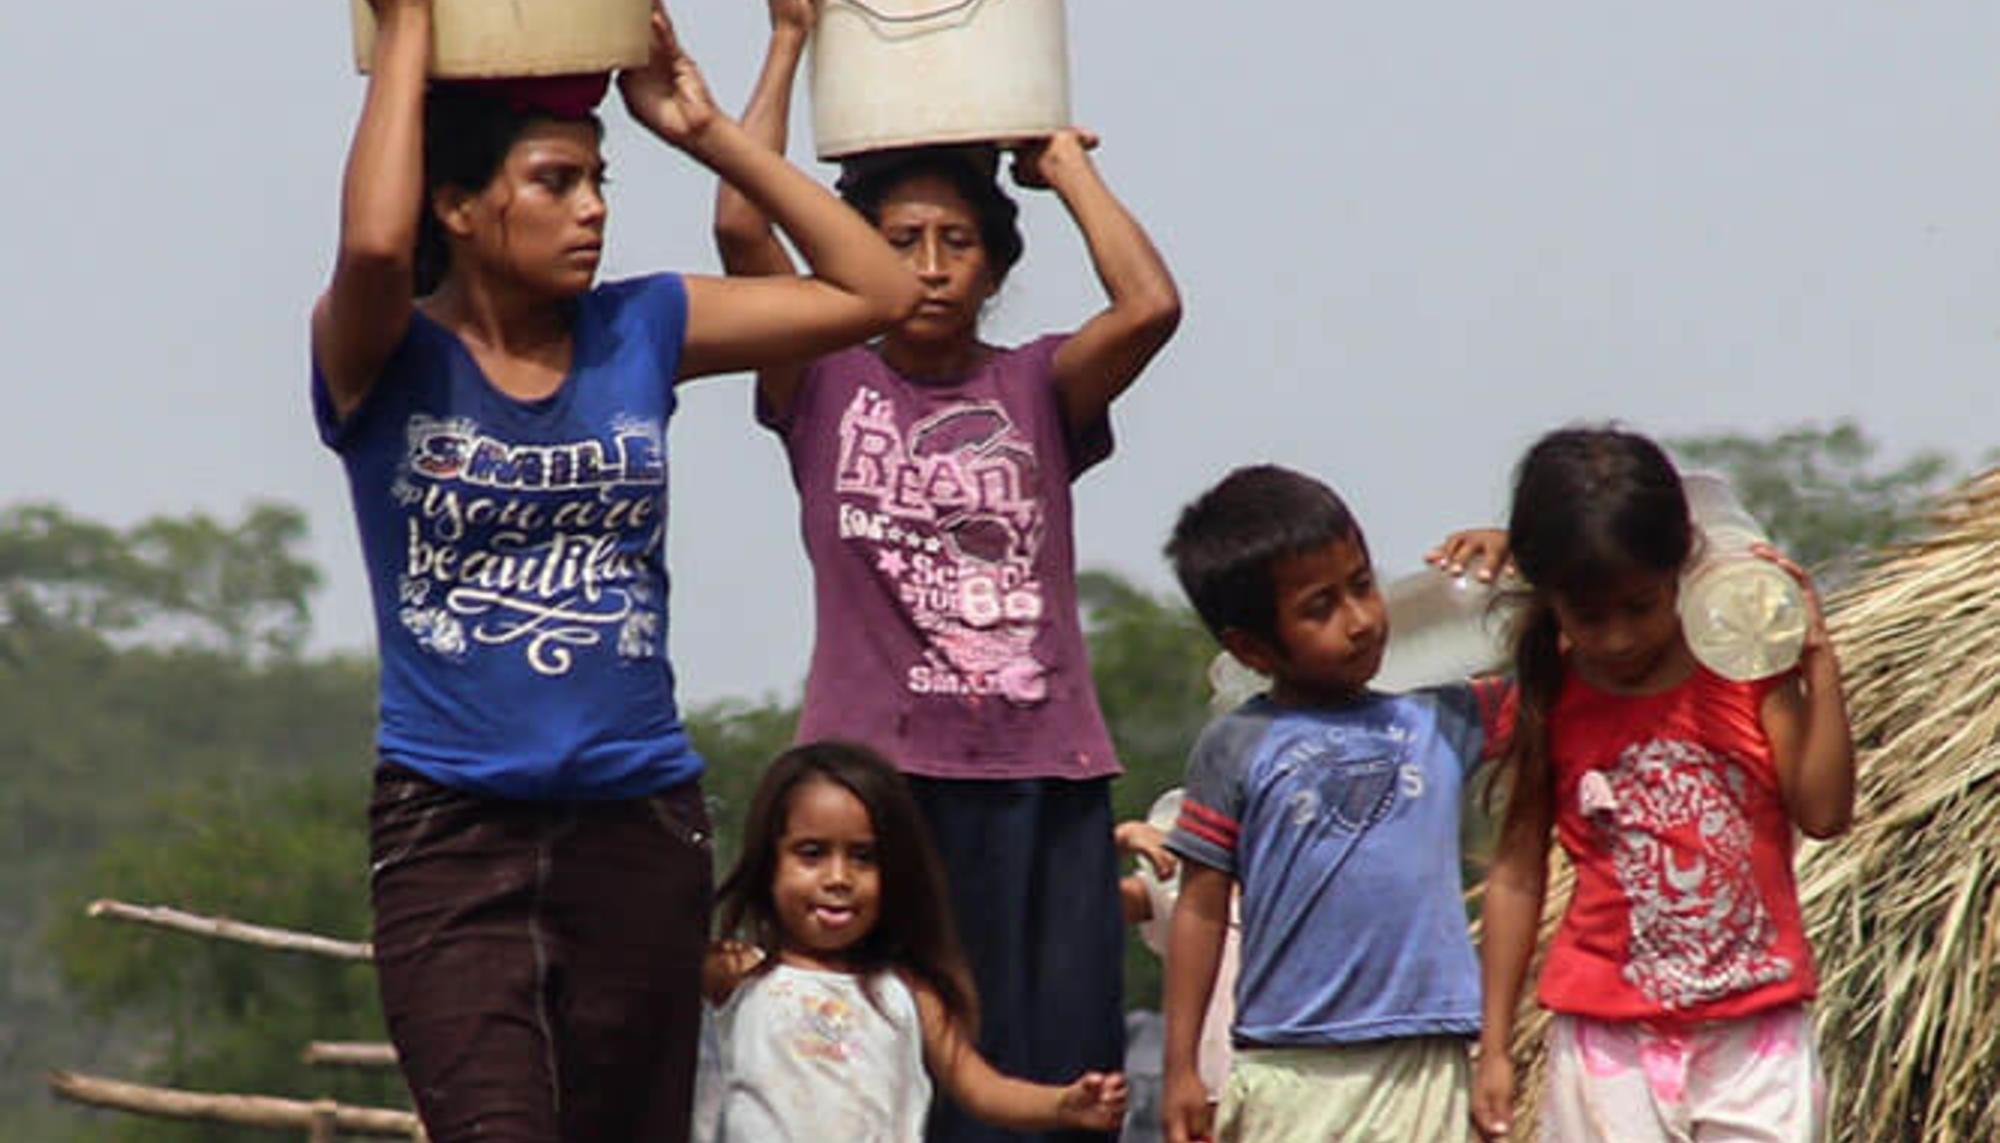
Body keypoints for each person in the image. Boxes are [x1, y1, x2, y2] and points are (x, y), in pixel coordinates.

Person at [311, 2, 922, 1139]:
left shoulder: (642, 327)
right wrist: (407, 32)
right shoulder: (383, 353)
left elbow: (874, 297)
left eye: (600, 181)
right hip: (452, 835)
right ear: (458, 202)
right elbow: (376, 248)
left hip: (638, 829)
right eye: (554, 181)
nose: (592, 208)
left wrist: (703, 130)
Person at [711, 4, 1182, 1138]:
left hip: (1045, 778)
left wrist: (1061, 166)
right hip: (881, 792)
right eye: (896, 241)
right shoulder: (822, 379)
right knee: (895, 1081)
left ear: (990, 263)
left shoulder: (1033, 386)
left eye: (954, 241)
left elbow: (1151, 306)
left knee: (1059, 1078)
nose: (925, 268)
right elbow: (740, 228)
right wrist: (785, 46)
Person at [1471, 426, 1855, 1142]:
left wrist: (1818, 668)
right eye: (1589, 615)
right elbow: (1517, 872)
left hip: (1755, 1039)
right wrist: (1493, 1044)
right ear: (1548, 595)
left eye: (1639, 607)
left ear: (1680, 568)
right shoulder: (1549, 700)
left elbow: (1826, 813)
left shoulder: (1745, 671)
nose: (1616, 638)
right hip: (1607, 1046)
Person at [1158, 465, 1511, 1143]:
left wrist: (1522, 556)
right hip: (1293, 1060)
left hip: (1427, 1054)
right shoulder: (1236, 745)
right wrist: (1180, 1066)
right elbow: (1200, 906)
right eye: (1320, 607)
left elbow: (1574, 668)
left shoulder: (1443, 720)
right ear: (1251, 647)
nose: (1360, 620)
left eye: (1362, 585)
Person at [701, 741, 1130, 1141]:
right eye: (811, 853)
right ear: (769, 863)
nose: (838, 879)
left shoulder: (907, 990)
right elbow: (646, 950)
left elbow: (984, 1090)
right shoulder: (741, 973)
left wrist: (1062, 1103)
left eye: (864, 858)